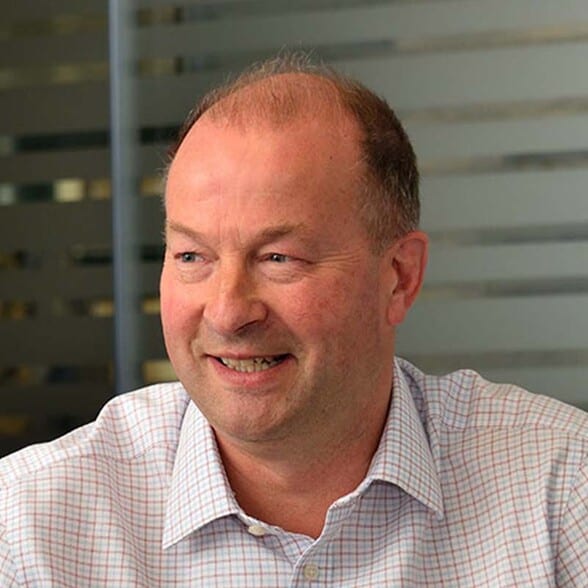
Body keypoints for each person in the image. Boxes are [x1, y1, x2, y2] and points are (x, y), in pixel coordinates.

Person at [0, 54, 586, 587]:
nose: (228, 311)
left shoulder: (560, 490)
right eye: (193, 257)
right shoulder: (31, 528)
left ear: (399, 278)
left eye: (279, 258)